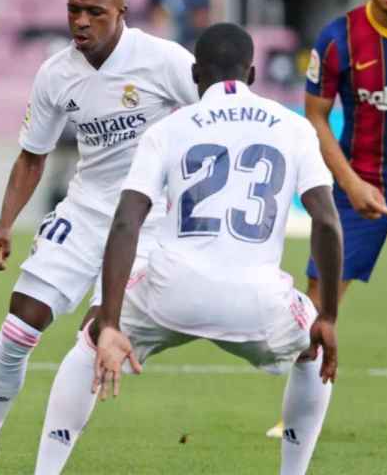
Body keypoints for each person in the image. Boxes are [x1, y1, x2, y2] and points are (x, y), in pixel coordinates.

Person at [32, 23, 342, 475]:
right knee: (312, 347)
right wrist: (328, 316)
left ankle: (45, 471)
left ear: (195, 74)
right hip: (256, 301)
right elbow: (328, 222)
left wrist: (112, 321)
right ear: (253, 73)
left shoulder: (169, 128)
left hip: (169, 291)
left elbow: (127, 221)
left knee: (89, 340)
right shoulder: (293, 127)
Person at [0, 0, 199, 470]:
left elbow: (213, 118)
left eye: (94, 11)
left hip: (147, 223)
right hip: (85, 210)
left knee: (94, 334)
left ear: (122, 10)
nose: (80, 21)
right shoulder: (56, 73)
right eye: (73, 9)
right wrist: (2, 227)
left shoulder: (165, 60)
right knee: (20, 323)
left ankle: (49, 463)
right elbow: (31, 156)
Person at [266, 0, 387, 439]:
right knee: (318, 300)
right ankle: (297, 417)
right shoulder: (337, 39)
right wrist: (350, 184)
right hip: (358, 184)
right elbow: (314, 118)